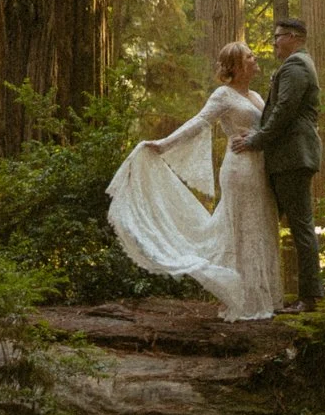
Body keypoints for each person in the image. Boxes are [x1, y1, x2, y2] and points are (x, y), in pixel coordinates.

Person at [106, 40, 282, 321]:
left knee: (260, 224)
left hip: (260, 168)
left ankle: (263, 297)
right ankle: (243, 299)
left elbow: (270, 127)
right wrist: (164, 144)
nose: (255, 59)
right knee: (242, 228)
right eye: (249, 56)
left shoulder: (257, 96)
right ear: (236, 66)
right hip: (239, 168)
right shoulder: (223, 94)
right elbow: (199, 122)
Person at [231, 17, 324, 311]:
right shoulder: (298, 64)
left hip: (293, 156)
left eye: (278, 36)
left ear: (293, 36)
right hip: (289, 156)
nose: (274, 43)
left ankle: (309, 298)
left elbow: (284, 111)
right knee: (281, 222)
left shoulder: (296, 66)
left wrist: (256, 140)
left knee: (300, 225)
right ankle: (265, 292)